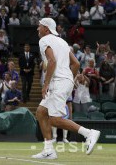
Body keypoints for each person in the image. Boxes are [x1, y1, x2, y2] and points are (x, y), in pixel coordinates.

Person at [32, 17, 100, 160]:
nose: (37, 29)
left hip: (59, 82)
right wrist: (69, 80)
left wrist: (45, 85)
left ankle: (89, 133)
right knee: (41, 112)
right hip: (65, 81)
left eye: (39, 26)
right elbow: (75, 64)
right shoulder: (62, 42)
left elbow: (52, 61)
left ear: (46, 28)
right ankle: (49, 150)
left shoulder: (43, 40)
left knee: (55, 120)